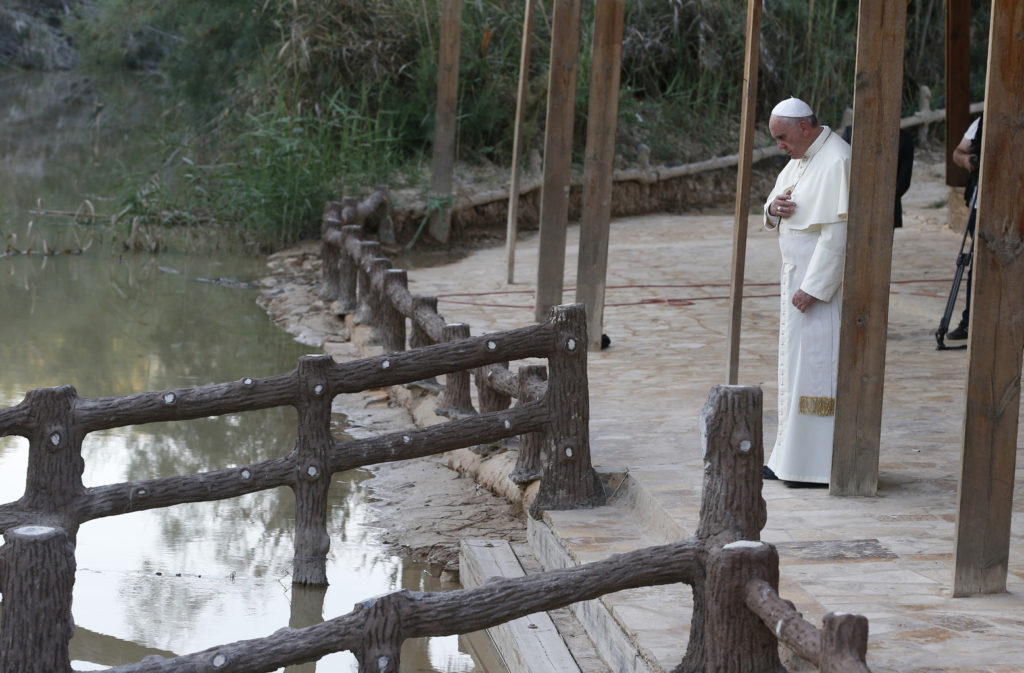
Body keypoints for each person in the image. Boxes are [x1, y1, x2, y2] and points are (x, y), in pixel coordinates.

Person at [761, 97, 851, 488]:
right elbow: (776, 201)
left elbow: (838, 234)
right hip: (796, 281)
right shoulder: (801, 157)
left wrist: (814, 288)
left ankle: (813, 467)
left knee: (816, 371)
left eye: (782, 138)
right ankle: (788, 459)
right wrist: (772, 208)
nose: (780, 146)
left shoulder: (836, 159)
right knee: (794, 370)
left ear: (803, 127)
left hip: (818, 291)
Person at [946, 115, 982, 340]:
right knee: (978, 264)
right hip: (983, 204)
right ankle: (970, 323)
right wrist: (970, 160)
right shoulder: (983, 121)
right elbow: (958, 153)